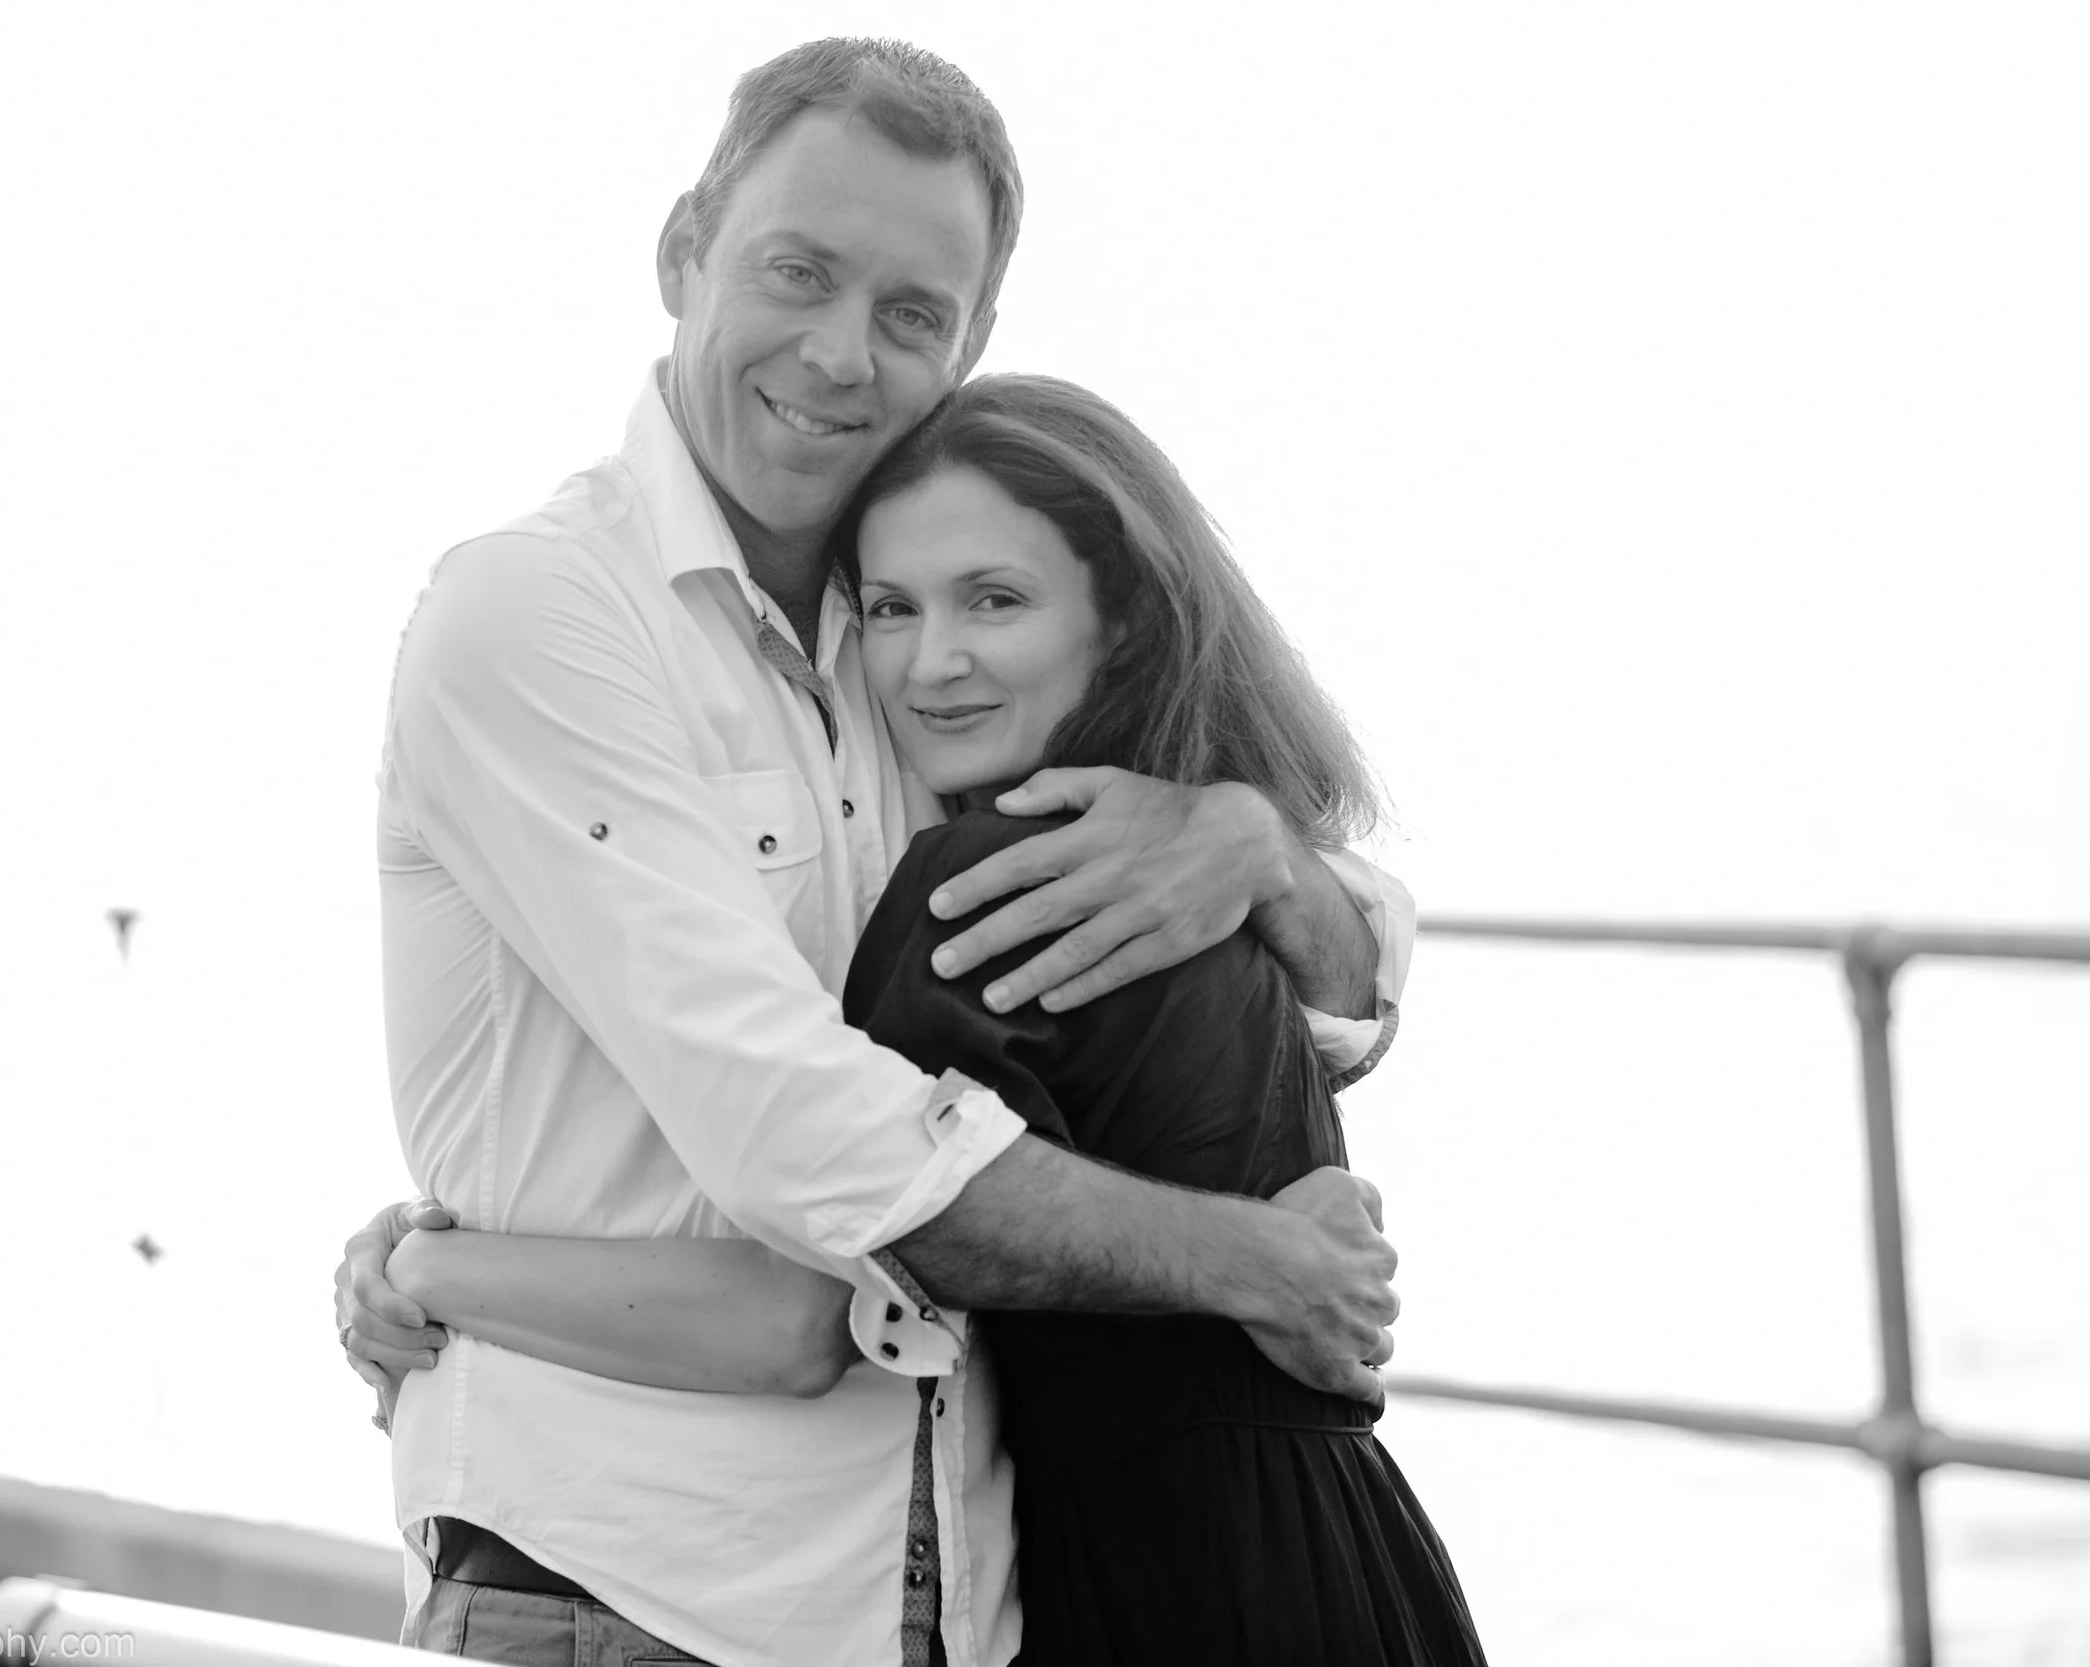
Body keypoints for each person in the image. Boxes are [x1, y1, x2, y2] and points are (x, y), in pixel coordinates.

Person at [338, 37, 1415, 1667]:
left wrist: (1256, 848)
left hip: (957, 1605)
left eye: (913, 312)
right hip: (627, 1597)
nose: (843, 354)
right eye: (799, 271)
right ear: (683, 253)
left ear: (970, 342)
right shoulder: (541, 614)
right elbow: (803, 1142)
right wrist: (1255, 1262)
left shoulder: (916, 646)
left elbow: (1328, 995)